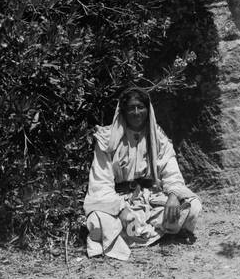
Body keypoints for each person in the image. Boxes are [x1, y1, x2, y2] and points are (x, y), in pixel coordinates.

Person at [83, 87, 202, 260]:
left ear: (148, 109)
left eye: (140, 107)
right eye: (131, 108)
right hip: (118, 200)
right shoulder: (107, 139)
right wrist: (121, 209)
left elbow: (171, 171)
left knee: (192, 206)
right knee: (98, 221)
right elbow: (100, 183)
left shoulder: (157, 137)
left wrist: (174, 195)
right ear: (123, 111)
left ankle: (140, 232)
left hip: (150, 198)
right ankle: (156, 232)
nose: (136, 112)